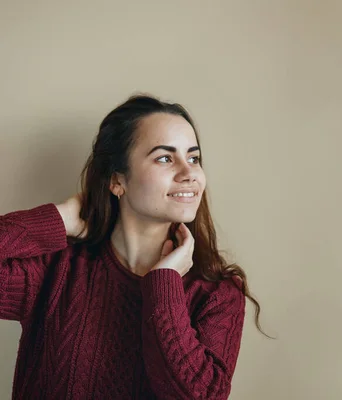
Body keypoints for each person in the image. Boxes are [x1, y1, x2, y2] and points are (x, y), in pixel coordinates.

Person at [0, 94, 265, 399]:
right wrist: (59, 219)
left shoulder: (217, 294)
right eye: (165, 158)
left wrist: (163, 285)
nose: (189, 172)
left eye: (193, 158)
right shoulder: (56, 271)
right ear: (117, 180)